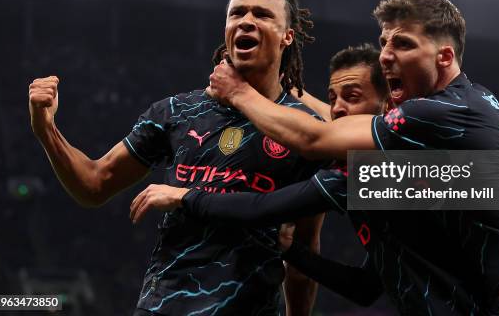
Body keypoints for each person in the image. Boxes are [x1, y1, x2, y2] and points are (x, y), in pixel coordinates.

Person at [206, 0, 499, 315]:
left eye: (402, 43)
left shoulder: (388, 167)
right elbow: (367, 285)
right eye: (384, 44)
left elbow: (314, 140)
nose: (386, 55)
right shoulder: (471, 111)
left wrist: (242, 94)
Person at [28, 0, 326, 316]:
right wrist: (46, 130)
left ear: (287, 35)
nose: (246, 21)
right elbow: (94, 184)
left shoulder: (304, 129)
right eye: (237, 13)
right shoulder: (176, 112)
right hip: (164, 307)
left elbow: (304, 251)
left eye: (262, 14)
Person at [131, 43, 391, 307]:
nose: (336, 109)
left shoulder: (398, 172)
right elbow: (365, 288)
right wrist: (291, 250)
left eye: (353, 96)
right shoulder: (357, 176)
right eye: (333, 98)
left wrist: (185, 196)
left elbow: (261, 207)